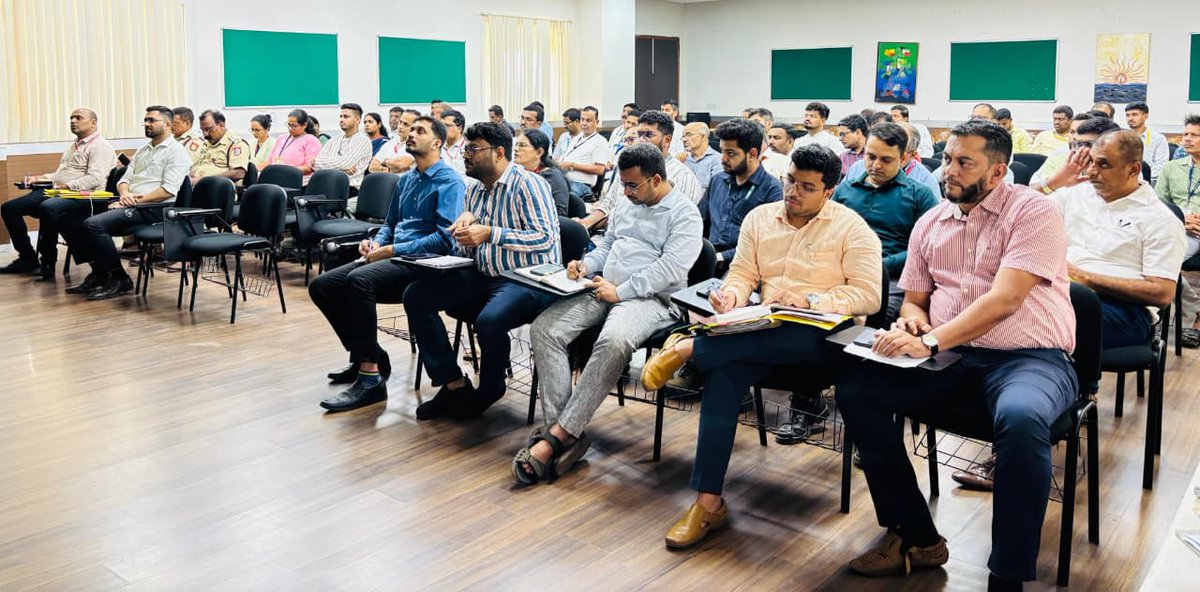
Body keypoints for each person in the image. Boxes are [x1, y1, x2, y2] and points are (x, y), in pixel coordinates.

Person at [836, 119, 1077, 592]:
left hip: (1030, 358)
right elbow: (915, 298)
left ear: (997, 171)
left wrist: (929, 340)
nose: (948, 170)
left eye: (964, 162)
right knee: (857, 390)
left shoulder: (1033, 212)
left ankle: (1006, 574)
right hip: (953, 357)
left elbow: (1006, 299)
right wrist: (911, 320)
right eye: (947, 158)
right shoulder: (932, 221)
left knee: (1023, 417)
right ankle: (916, 535)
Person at [640, 145, 882, 549]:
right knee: (724, 375)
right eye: (791, 181)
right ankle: (707, 502)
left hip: (821, 342)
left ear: (830, 192)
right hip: (761, 331)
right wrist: (731, 298)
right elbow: (742, 275)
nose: (793, 192)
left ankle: (689, 349)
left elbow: (868, 296)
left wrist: (811, 301)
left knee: (787, 333)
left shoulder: (852, 228)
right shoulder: (760, 219)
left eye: (807, 187)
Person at [515, 143, 703, 484]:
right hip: (605, 286)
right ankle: (566, 433)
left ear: (657, 179)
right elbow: (608, 243)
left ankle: (555, 437)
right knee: (546, 328)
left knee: (614, 340)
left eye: (633, 186)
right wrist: (586, 264)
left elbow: (670, 269)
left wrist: (622, 291)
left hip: (652, 299)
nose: (626, 192)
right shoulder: (627, 203)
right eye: (624, 185)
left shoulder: (685, 214)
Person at [402, 122, 561, 420]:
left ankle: (491, 386)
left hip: (527, 278)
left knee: (489, 320)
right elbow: (472, 243)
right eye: (466, 148)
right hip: (483, 273)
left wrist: (489, 233)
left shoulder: (529, 184)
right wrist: (461, 239)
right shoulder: (474, 190)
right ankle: (453, 383)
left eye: (474, 149)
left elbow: (545, 238)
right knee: (416, 295)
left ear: (499, 153)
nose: (466, 155)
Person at [309, 116, 465, 412]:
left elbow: (445, 240)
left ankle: (370, 379)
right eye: (411, 129)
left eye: (420, 131)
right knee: (323, 286)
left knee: (359, 281)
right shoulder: (406, 179)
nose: (411, 134)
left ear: (437, 143)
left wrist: (394, 248)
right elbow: (390, 223)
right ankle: (371, 354)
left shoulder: (450, 182)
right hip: (394, 255)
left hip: (424, 262)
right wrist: (378, 242)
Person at [61, 105, 191, 300]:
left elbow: (167, 191)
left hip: (155, 209)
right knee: (69, 220)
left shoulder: (177, 153)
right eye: (145, 120)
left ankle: (120, 278)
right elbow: (124, 180)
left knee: (93, 224)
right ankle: (100, 273)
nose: (146, 124)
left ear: (167, 124)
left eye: (151, 121)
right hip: (132, 203)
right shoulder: (144, 150)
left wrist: (131, 200)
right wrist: (124, 195)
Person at [833, 121, 939, 313]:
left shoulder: (920, 195)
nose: (876, 165)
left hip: (892, 277)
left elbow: (926, 249)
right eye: (870, 157)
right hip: (842, 272)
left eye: (886, 160)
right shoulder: (845, 189)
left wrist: (881, 264)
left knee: (880, 313)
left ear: (904, 158)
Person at [0, 108, 116, 278]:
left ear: (93, 123)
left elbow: (95, 179)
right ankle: (28, 258)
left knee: (49, 208)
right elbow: (60, 175)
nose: (73, 121)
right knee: (10, 208)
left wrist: (64, 188)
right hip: (58, 191)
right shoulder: (74, 146)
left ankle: (48, 262)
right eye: (71, 118)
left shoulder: (100, 146)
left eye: (78, 118)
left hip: (83, 195)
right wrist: (37, 178)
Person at [578, 110, 703, 231]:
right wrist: (584, 224)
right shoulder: (629, 169)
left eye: (649, 135)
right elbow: (608, 205)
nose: (641, 140)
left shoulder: (683, 177)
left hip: (650, 243)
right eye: (639, 134)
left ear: (667, 140)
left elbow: (677, 224)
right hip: (613, 235)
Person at [698, 118, 783, 273]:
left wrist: (721, 257)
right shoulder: (717, 180)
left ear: (752, 154)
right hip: (707, 260)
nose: (723, 159)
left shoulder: (771, 189)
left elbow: (765, 244)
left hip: (744, 266)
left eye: (730, 153)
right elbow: (700, 221)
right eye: (722, 151)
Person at [1155, 114, 1200, 347]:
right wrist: (1183, 220)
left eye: (1194, 135)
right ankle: (1160, 316)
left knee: (1165, 259)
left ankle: (1194, 321)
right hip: (1178, 227)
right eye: (1186, 134)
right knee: (1158, 257)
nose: (1187, 139)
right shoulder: (1172, 168)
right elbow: (1158, 203)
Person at [312, 103, 373, 198]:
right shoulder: (333, 140)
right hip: (327, 184)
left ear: (357, 120)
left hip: (349, 188)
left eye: (346, 117)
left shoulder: (363, 140)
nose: (341, 119)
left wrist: (322, 162)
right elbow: (315, 165)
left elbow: (346, 163)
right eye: (340, 116)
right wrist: (342, 167)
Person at [1029, 112, 1101, 193]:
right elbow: (1032, 189)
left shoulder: (1101, 162)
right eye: (1072, 132)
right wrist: (1056, 182)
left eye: (1081, 132)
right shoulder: (1060, 153)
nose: (1075, 137)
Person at [513, 128, 570, 216]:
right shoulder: (518, 173)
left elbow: (560, 213)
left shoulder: (553, 177)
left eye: (522, 145)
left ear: (539, 152)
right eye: (516, 144)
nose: (516, 149)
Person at [557, 106, 610, 196]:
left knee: (561, 196)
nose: (584, 123)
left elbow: (600, 169)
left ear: (596, 122)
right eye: (582, 119)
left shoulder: (600, 141)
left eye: (588, 120)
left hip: (581, 184)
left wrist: (571, 165)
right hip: (564, 180)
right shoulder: (576, 138)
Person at [190, 109, 250, 185]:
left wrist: (204, 180)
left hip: (220, 190)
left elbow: (239, 173)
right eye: (202, 130)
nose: (205, 134)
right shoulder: (206, 143)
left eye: (208, 129)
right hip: (198, 187)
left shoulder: (236, 144)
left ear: (221, 125)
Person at [264, 109, 322, 176]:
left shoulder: (311, 141)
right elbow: (269, 161)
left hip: (298, 180)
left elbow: (310, 167)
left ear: (304, 125)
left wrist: (287, 172)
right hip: (276, 177)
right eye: (289, 125)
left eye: (294, 126)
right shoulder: (281, 138)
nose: (290, 129)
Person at [1125, 101, 1170, 183]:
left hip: (1148, 182)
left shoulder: (1158, 139)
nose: (1130, 118)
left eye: (1134, 115)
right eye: (1128, 115)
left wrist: (1139, 178)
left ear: (1145, 116)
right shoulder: (1121, 138)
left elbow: (1160, 166)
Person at [369, 108, 420, 174]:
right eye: (400, 122)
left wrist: (384, 162)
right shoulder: (390, 143)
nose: (400, 127)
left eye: (405, 124)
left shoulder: (418, 145)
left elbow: (401, 165)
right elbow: (372, 167)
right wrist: (388, 170)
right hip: (387, 182)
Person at [681, 122, 721, 193]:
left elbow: (716, 191)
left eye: (689, 135)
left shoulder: (717, 160)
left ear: (703, 137)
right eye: (683, 136)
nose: (684, 140)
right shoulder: (682, 159)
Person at [440, 109, 468, 176]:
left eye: (447, 125)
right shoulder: (438, 148)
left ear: (459, 128)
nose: (443, 129)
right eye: (441, 126)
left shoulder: (467, 148)